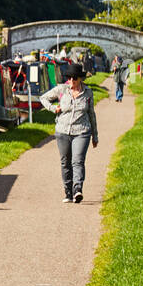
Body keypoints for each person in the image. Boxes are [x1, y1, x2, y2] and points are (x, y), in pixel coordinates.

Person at [41, 63, 99, 204]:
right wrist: (53, 108)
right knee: (65, 162)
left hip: (82, 131)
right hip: (62, 132)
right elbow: (43, 98)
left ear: (80, 79)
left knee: (78, 161)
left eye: (74, 78)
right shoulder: (62, 90)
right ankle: (68, 192)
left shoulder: (88, 93)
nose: (71, 81)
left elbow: (92, 114)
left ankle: (78, 189)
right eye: (69, 78)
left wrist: (95, 135)